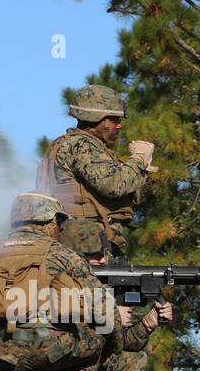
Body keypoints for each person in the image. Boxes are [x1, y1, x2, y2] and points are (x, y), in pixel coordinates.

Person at [0, 192, 105, 371]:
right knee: (96, 338)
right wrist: (116, 340)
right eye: (59, 222)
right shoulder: (63, 254)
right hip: (42, 343)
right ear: (46, 221)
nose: (61, 229)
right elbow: (100, 304)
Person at [54, 218, 172, 371]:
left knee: (135, 357)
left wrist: (147, 323)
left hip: (75, 365)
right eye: (94, 257)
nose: (102, 260)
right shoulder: (57, 277)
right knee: (93, 341)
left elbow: (124, 343)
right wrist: (108, 314)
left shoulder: (105, 283)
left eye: (103, 254)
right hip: (54, 361)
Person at [35, 84, 155, 258]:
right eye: (115, 120)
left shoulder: (68, 145)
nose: (119, 126)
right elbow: (114, 185)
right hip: (87, 246)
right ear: (100, 120)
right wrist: (138, 159)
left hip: (79, 242)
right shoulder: (82, 145)